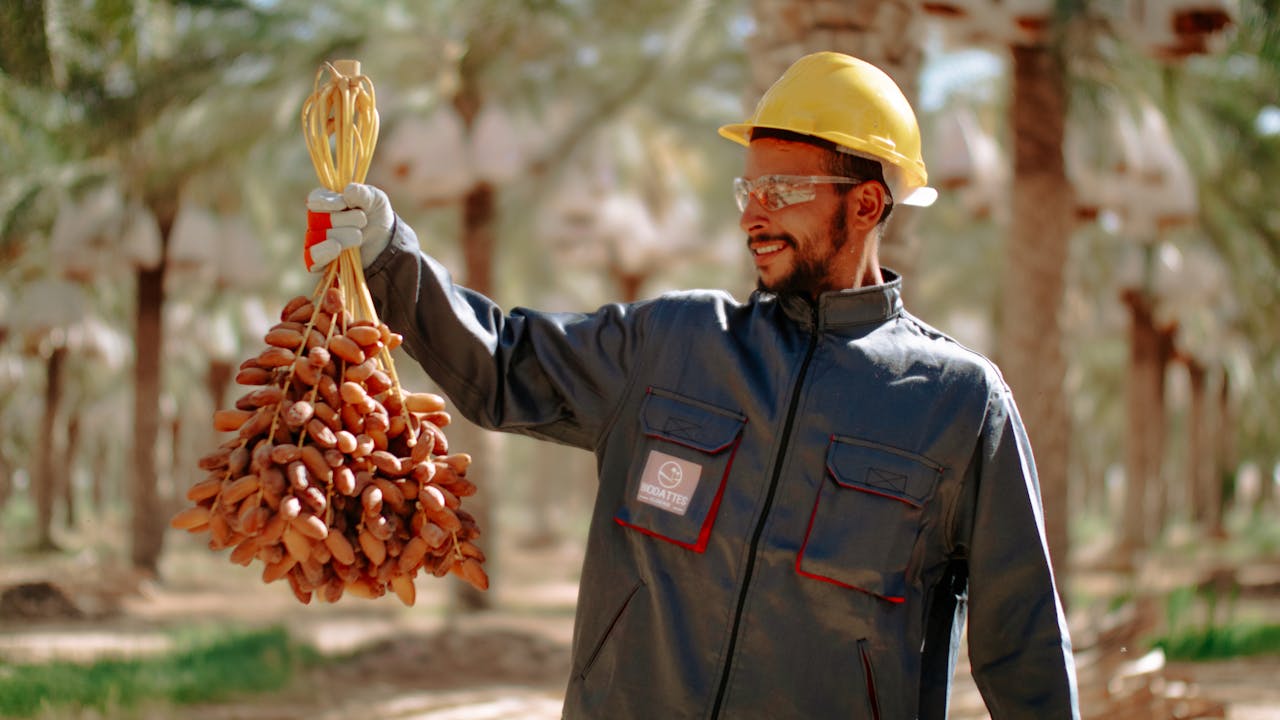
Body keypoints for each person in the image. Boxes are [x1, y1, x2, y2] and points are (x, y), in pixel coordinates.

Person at [304, 51, 1080, 720]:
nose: (754, 217)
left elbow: (1025, 649)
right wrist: (386, 255)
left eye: (782, 191)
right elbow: (505, 364)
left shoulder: (958, 405)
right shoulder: (672, 345)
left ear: (867, 203)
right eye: (749, 193)